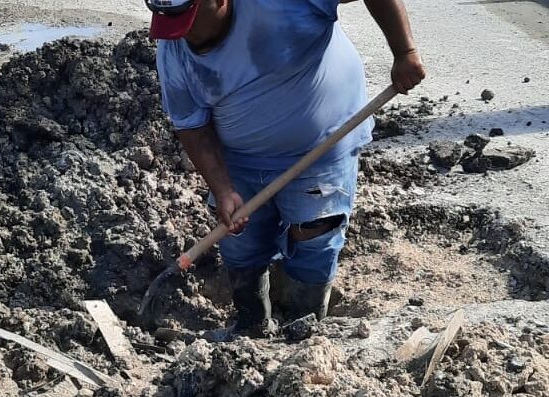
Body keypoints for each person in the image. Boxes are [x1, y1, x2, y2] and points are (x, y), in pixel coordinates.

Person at [147, 0, 425, 338]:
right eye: (172, 23)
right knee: (240, 241)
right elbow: (190, 123)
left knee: (313, 236)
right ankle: (253, 324)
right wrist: (222, 188)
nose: (183, 34)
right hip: (239, 157)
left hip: (320, 147)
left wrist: (404, 50)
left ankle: (302, 326)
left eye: (189, 20)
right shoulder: (173, 49)